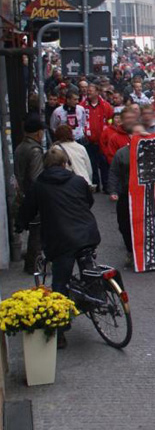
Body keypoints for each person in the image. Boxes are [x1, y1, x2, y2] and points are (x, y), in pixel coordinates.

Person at [17, 148, 101, 349]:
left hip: (61, 240)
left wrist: (20, 224)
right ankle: (97, 297)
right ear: (65, 164)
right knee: (88, 268)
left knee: (60, 284)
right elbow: (89, 201)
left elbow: (28, 209)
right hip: (87, 234)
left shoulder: (39, 186)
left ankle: (61, 332)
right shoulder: (78, 181)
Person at [109, 123, 148, 268]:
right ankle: (131, 250)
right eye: (136, 134)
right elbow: (114, 173)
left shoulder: (152, 152)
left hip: (146, 196)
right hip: (126, 195)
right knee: (124, 225)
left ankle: (145, 254)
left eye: (142, 134)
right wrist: (113, 191)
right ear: (130, 136)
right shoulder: (122, 153)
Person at [13, 116, 45, 274]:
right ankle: (33, 265)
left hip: (23, 194)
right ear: (39, 133)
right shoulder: (35, 150)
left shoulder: (20, 147)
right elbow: (36, 176)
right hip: (32, 196)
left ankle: (32, 262)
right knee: (37, 230)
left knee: (34, 229)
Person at [83, 83, 113, 192]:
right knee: (91, 164)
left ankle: (106, 185)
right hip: (89, 141)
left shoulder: (106, 106)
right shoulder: (82, 105)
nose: (88, 92)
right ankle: (95, 185)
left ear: (97, 92)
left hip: (103, 141)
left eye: (90, 90)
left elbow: (111, 120)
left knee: (104, 164)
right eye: (87, 90)